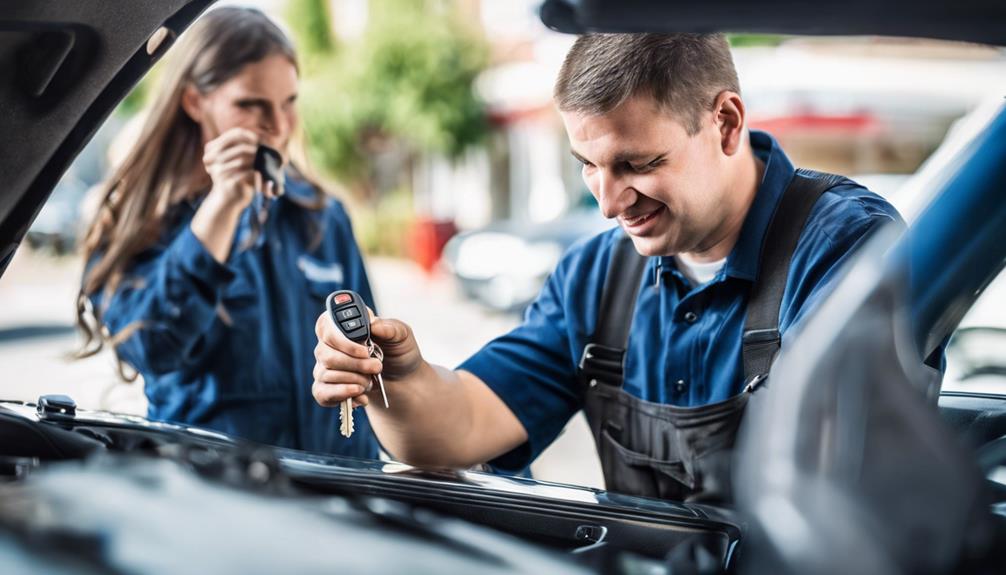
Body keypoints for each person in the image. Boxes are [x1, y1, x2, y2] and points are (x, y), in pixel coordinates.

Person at [311, 33, 904, 500]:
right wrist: (398, 379)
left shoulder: (845, 248)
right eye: (587, 165)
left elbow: (845, 478)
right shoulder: (596, 278)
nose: (608, 202)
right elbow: (463, 424)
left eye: (637, 163)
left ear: (725, 122)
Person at [77, 7, 379, 459]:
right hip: (214, 500)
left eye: (289, 102)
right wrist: (222, 206)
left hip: (341, 493)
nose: (278, 126)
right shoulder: (145, 217)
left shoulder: (322, 214)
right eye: (250, 104)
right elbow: (152, 348)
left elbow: (370, 355)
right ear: (195, 101)